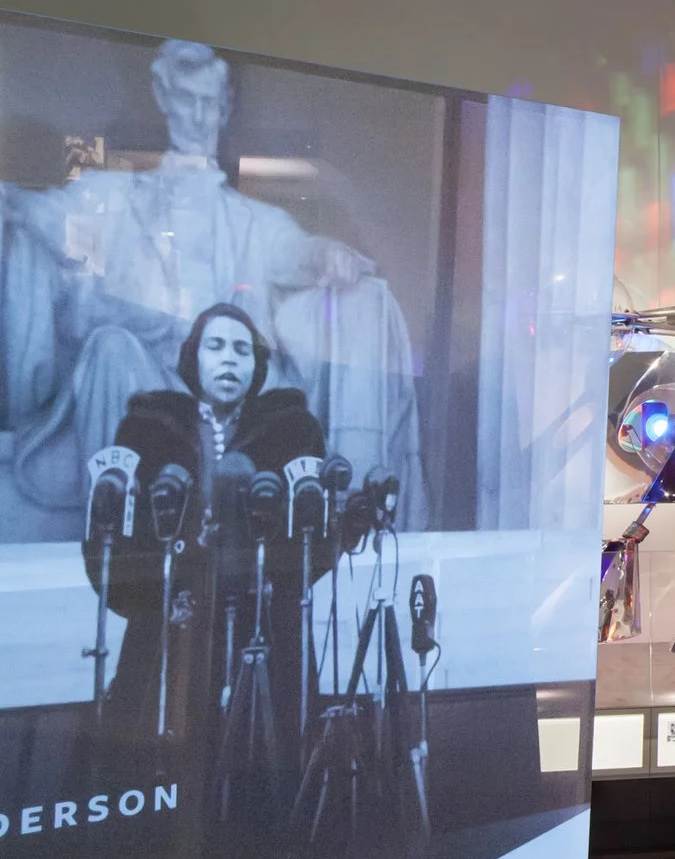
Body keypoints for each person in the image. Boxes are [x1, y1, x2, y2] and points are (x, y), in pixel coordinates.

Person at [4, 38, 423, 523]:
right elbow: (48, 216)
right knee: (109, 349)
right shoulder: (113, 194)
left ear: (224, 109)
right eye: (188, 100)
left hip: (232, 384)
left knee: (342, 314)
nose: (200, 117)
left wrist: (325, 254)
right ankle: (117, 529)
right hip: (147, 373)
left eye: (211, 103)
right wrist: (11, 203)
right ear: (164, 98)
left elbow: (294, 250)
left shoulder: (250, 219)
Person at [87, 304, 328, 754]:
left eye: (242, 349)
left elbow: (311, 541)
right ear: (193, 358)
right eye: (215, 346)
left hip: (261, 630)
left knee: (257, 753)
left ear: (256, 365)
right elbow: (119, 542)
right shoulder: (150, 428)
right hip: (170, 627)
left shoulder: (290, 430)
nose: (229, 359)